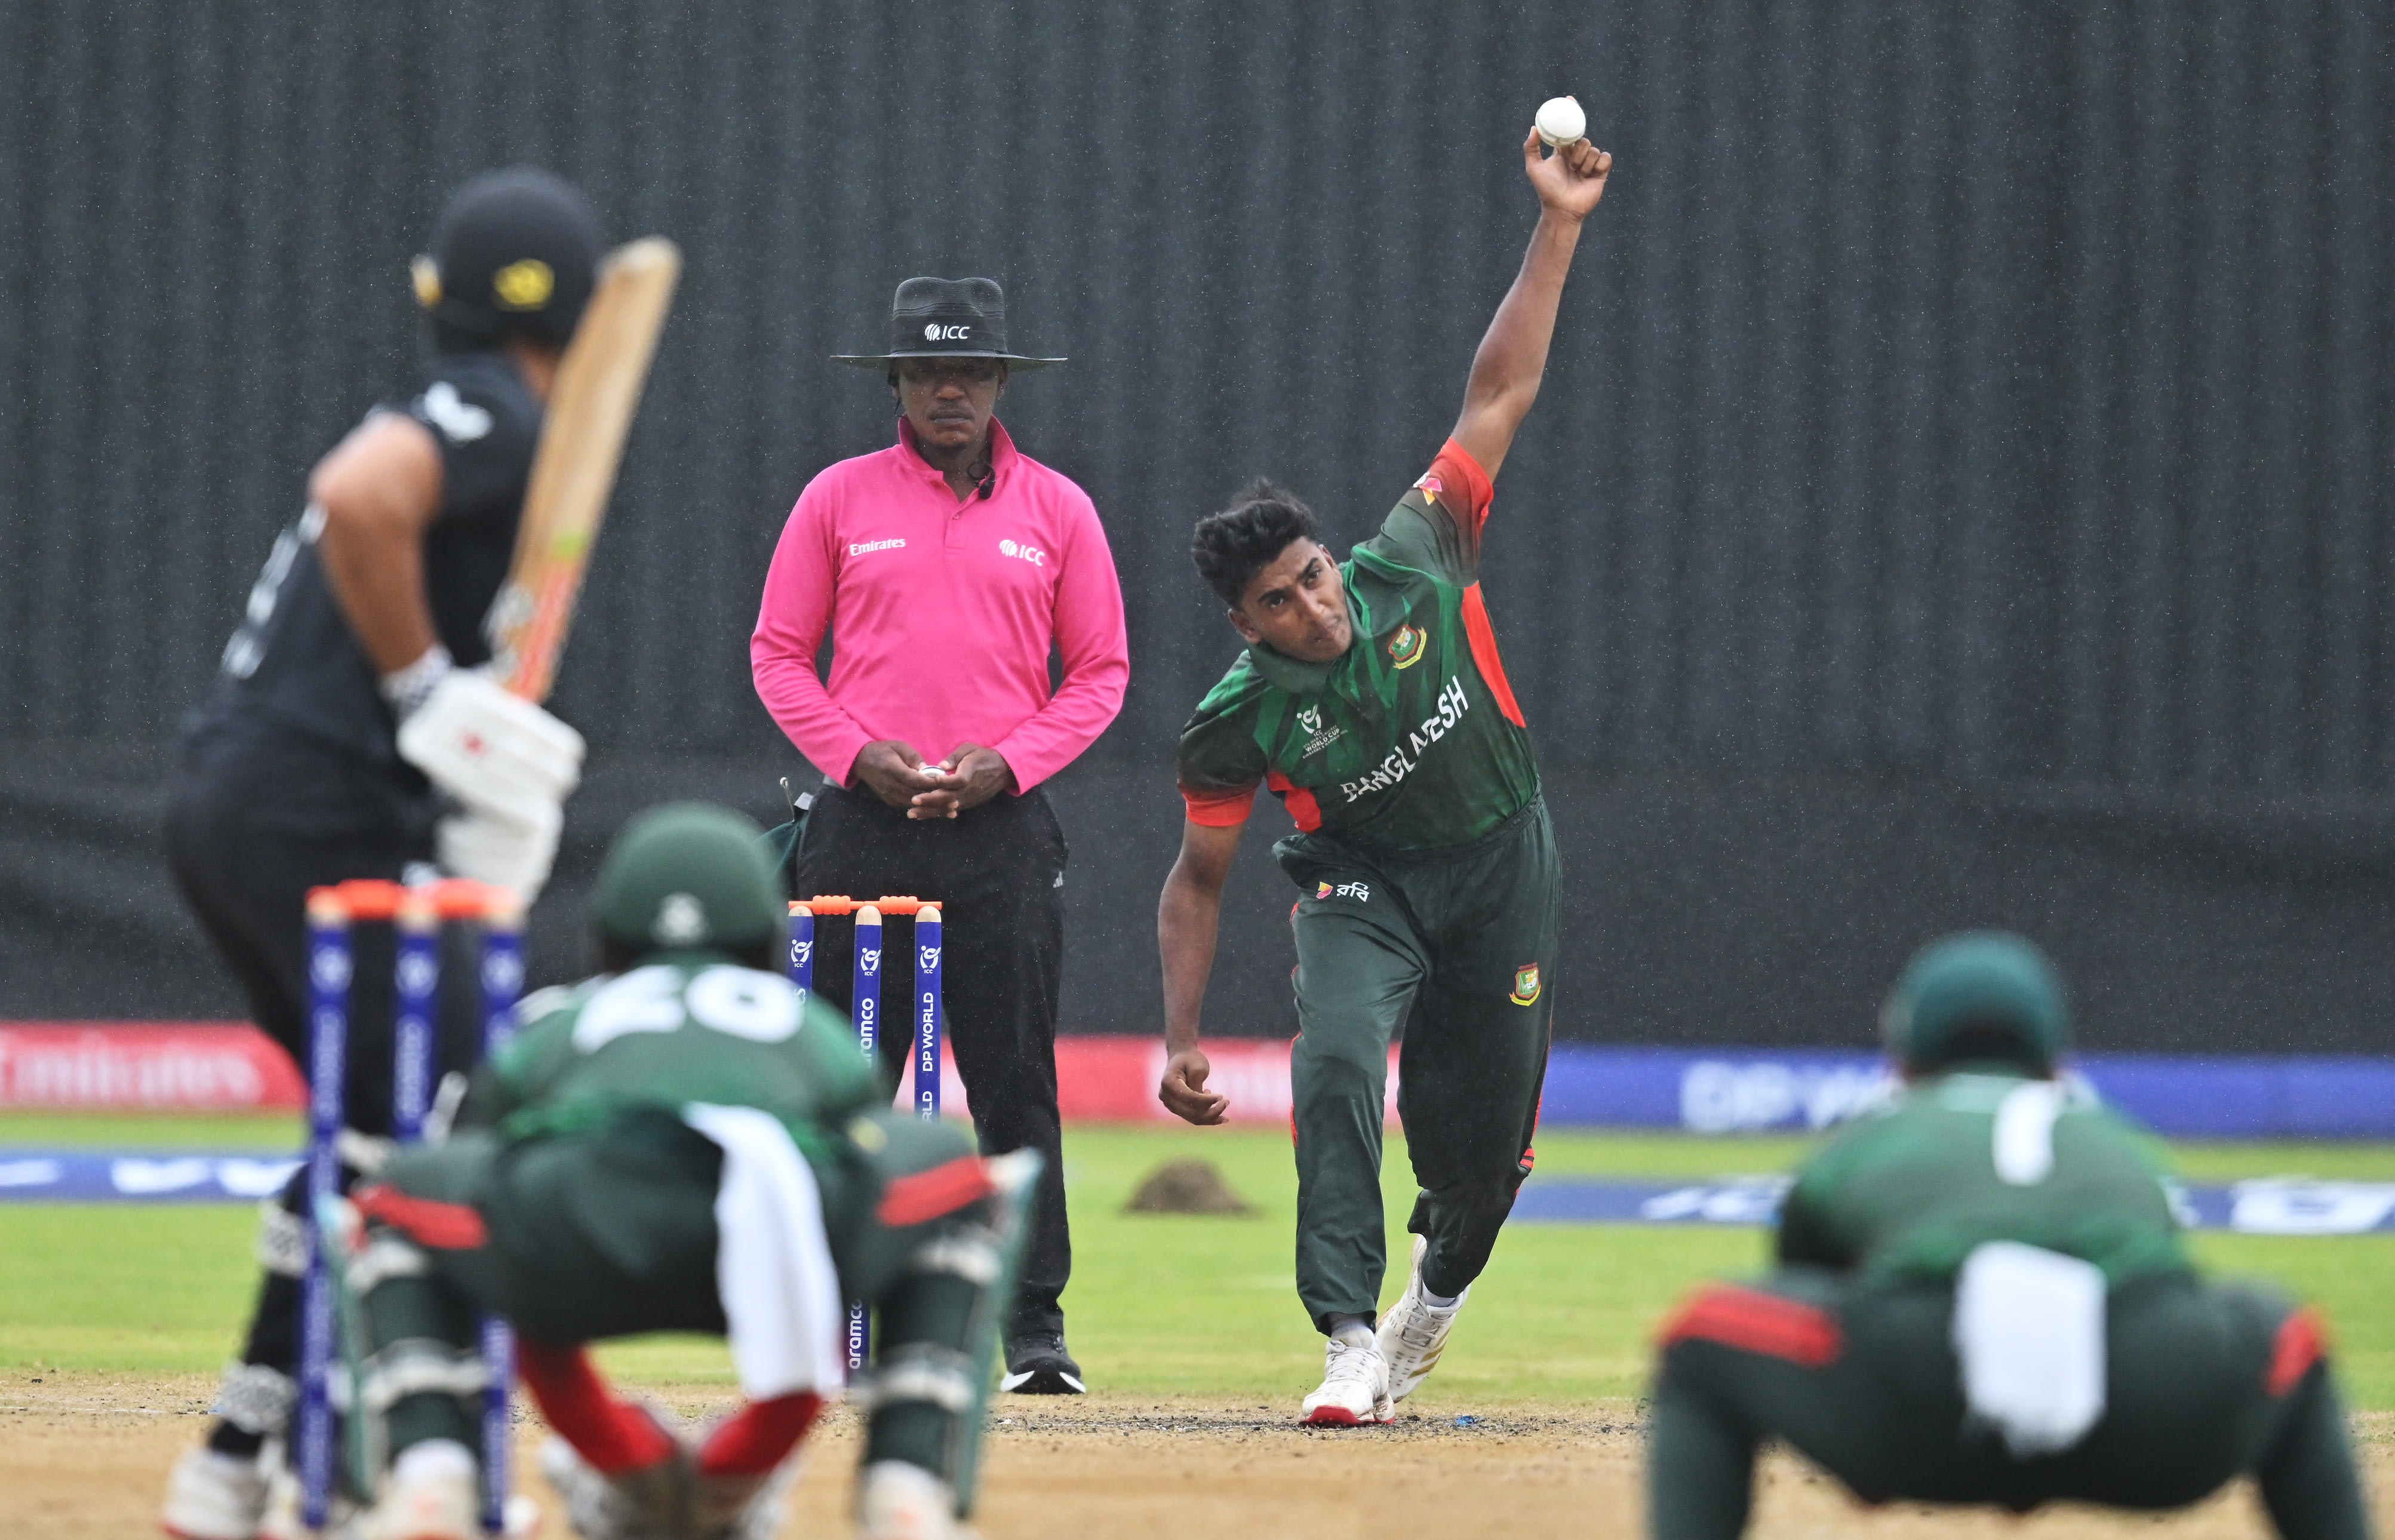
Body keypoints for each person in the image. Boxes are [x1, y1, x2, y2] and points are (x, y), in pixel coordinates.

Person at [161, 170, 598, 1540]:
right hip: (310, 811)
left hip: (242, 802)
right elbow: (359, 496)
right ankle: (411, 1464)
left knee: (373, 1123)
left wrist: (443, 762)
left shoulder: (466, 402)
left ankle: (241, 1463)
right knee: (455, 1108)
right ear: (575, 316)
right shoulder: (496, 410)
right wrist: (424, 694)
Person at [1155, 119, 1613, 1425]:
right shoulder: (1235, 719)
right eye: (1280, 601)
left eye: (1312, 575)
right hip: (1365, 884)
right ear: (1243, 623)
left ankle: (1432, 1300)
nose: (1316, 608)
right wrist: (1180, 1036)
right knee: (1341, 1055)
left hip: (1503, 859)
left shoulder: (1413, 552)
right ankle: (1348, 1336)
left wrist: (1557, 224)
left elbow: (1497, 393)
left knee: (1480, 1165)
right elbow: (1196, 879)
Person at [327, 803, 1033, 1540]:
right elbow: (857, 1117)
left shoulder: (563, 1013)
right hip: (775, 1244)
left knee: (404, 1189)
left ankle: (434, 1477)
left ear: (607, 933)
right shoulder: (803, 1021)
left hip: (576, 1241)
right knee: (946, 1173)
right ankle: (905, 1487)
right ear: (766, 933)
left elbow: (483, 1126)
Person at [1646, 933, 2374, 1540]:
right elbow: (2165, 1257)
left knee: (1702, 1331)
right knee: (2290, 1335)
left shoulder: (1880, 1129)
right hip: (2142, 1409)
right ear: (2056, 1061)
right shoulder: (2112, 1135)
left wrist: (1861, 1422)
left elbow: (1810, 1276)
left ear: (1904, 1060)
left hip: (1924, 1406)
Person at [751, 275, 1128, 1395]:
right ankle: (830, 1324)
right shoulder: (837, 497)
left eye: (967, 371)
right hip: (860, 827)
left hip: (999, 829)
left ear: (1001, 381)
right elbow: (778, 653)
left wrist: (1008, 761)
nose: (948, 390)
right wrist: (853, 752)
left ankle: (1034, 1330)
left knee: (1013, 1084)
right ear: (897, 385)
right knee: (844, 1084)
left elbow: (1099, 672)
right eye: (926, 372)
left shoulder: (1058, 509)